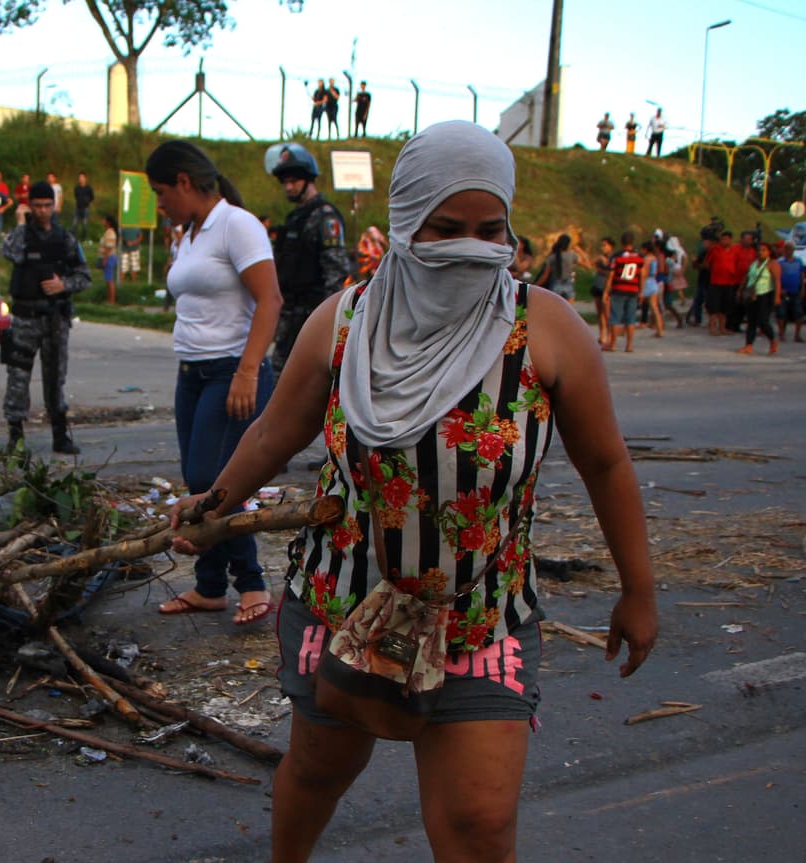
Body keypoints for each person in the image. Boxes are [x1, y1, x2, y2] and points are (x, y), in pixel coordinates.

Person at [166, 120, 657, 863]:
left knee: (479, 825)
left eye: (491, 229)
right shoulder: (347, 321)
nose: (471, 246)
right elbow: (274, 432)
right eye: (445, 228)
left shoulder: (544, 327)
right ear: (403, 224)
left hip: (481, 614)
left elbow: (608, 463)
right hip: (343, 603)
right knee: (322, 770)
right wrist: (216, 502)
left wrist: (639, 589)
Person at [145, 139, 281, 625]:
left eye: (161, 192)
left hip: (230, 372)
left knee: (216, 484)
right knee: (199, 482)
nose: (160, 203)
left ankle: (250, 584)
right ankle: (208, 588)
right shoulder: (190, 232)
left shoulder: (237, 224)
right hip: (192, 374)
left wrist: (248, 370)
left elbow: (270, 301)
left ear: (184, 181)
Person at [0, 182, 90, 455]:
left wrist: (63, 285)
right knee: (17, 377)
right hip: (25, 318)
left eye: (47, 205)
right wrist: (19, 222)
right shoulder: (22, 236)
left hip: (55, 320)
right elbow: (9, 252)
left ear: (54, 206)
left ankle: (60, 437)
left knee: (55, 379)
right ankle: (15, 439)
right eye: (37, 206)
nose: (42, 211)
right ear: (30, 207)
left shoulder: (65, 239)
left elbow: (84, 275)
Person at [265, 142, 350, 379]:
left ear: (308, 179)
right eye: (285, 182)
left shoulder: (324, 217)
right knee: (279, 381)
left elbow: (336, 272)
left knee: (305, 382)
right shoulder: (296, 218)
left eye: (294, 181)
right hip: (289, 314)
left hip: (310, 316)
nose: (289, 187)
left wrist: (324, 322)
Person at [736, 242, 781, 355]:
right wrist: (740, 290)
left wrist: (777, 296)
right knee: (751, 321)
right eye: (759, 250)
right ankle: (748, 345)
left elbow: (777, 281)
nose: (761, 252)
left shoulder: (772, 264)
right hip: (752, 295)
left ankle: (772, 340)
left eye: (764, 250)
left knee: (763, 321)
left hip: (765, 294)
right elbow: (747, 277)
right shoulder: (754, 263)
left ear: (769, 252)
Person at [604, 231, 646, 352]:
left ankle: (613, 344)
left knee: (615, 317)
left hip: (618, 289)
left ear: (621, 242)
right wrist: (641, 291)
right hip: (633, 289)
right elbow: (642, 275)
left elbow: (611, 275)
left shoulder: (617, 256)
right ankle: (629, 345)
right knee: (631, 319)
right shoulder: (639, 257)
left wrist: (606, 291)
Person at [704, 231, 738, 336]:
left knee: (725, 307)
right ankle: (713, 328)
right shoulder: (715, 250)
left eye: (727, 239)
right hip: (716, 282)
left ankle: (722, 328)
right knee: (714, 307)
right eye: (723, 239)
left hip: (729, 282)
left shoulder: (734, 250)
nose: (724, 241)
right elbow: (707, 264)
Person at [534, 233, 577, 302]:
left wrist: (535, 285)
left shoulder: (552, 257)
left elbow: (545, 275)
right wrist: (578, 249)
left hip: (556, 284)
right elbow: (587, 264)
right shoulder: (572, 255)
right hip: (569, 284)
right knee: (567, 309)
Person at [776, 242, 804, 342]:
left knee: (798, 313)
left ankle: (797, 335)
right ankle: (782, 334)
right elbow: (777, 277)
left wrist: (802, 289)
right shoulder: (780, 262)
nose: (789, 251)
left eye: (790, 249)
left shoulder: (798, 261)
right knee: (781, 313)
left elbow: (802, 275)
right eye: (787, 249)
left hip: (795, 290)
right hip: (783, 291)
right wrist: (779, 289)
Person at [592, 236, 614, 345]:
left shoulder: (613, 258)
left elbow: (610, 272)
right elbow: (590, 264)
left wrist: (600, 267)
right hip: (598, 285)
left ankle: (610, 336)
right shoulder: (600, 257)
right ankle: (602, 334)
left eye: (605, 245)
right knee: (599, 312)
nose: (603, 248)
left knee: (607, 313)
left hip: (607, 287)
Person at [98, 214, 119, 296]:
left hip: (109, 258)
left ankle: (112, 300)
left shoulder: (110, 232)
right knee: (108, 279)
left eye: (104, 220)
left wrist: (105, 259)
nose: (102, 221)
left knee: (110, 279)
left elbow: (109, 247)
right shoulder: (108, 232)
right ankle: (109, 298)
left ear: (108, 222)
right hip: (108, 257)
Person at [72, 171, 95, 241]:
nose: (81, 179)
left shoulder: (88, 188)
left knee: (84, 224)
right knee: (74, 223)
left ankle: (83, 239)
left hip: (85, 208)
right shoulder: (77, 188)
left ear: (85, 178)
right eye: (79, 178)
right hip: (78, 207)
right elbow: (76, 196)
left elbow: (92, 197)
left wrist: (87, 201)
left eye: (82, 177)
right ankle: (73, 238)